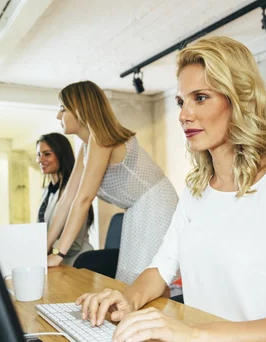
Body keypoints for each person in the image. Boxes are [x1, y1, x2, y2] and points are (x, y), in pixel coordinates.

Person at [76, 36, 266, 342]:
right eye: (181, 102)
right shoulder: (196, 189)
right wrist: (128, 298)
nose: (183, 115)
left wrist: (195, 336)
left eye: (201, 97)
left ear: (240, 100)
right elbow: (162, 266)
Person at [46, 81, 179, 285]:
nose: (58, 116)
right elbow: (67, 199)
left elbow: (84, 199)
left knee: (146, 277)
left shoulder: (101, 139)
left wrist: (58, 253)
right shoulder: (87, 146)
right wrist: (44, 249)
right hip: (136, 208)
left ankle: (158, 316)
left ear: (80, 109)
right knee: (130, 278)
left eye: (63, 108)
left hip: (156, 202)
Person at [36, 133, 93, 266]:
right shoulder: (47, 191)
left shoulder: (73, 191)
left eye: (47, 154)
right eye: (39, 154)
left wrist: (50, 250)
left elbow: (75, 243)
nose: (40, 159)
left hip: (77, 262)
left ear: (61, 155)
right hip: (53, 262)